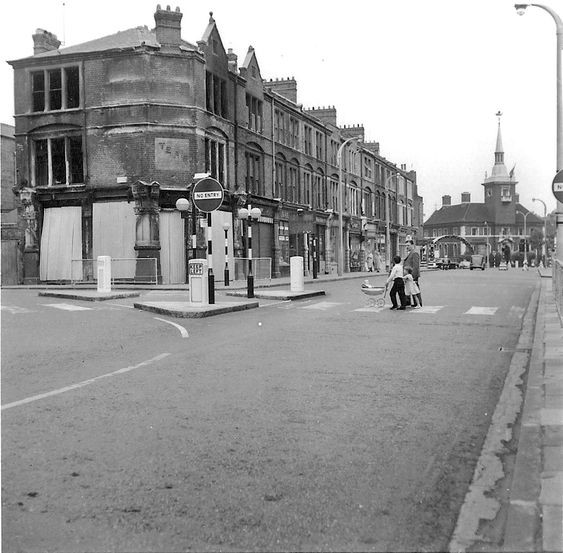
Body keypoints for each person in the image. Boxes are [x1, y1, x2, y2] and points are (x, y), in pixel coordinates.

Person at [403, 239, 421, 306]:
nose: (407, 247)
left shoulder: (414, 253)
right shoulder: (410, 253)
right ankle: (410, 302)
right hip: (408, 274)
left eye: (408, 245)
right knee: (409, 288)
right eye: (406, 245)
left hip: (413, 275)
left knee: (415, 289)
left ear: (412, 245)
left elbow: (416, 266)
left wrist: (413, 276)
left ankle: (418, 303)